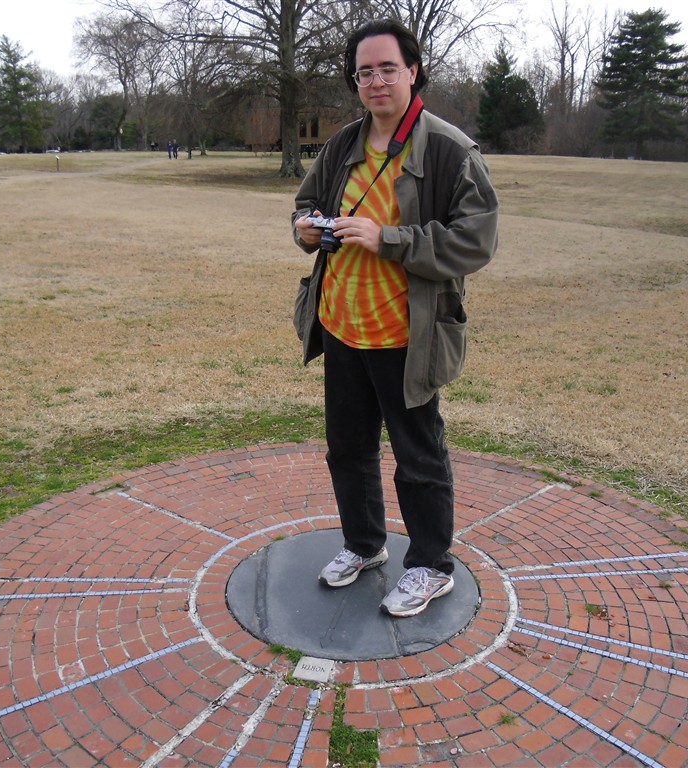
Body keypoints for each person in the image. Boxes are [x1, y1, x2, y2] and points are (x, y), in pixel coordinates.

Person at [291, 19, 498, 617]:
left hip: (408, 335)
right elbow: (307, 203)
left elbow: (476, 241)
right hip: (341, 324)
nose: (376, 81)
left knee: (418, 458)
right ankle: (364, 544)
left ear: (412, 70)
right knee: (347, 450)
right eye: (365, 72)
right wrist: (306, 228)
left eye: (387, 68)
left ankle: (431, 566)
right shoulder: (342, 145)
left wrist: (390, 239)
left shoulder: (450, 150)